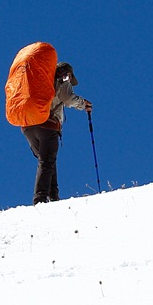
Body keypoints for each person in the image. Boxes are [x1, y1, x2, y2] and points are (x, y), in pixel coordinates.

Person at [21, 61, 91, 204]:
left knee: (47, 160)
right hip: (48, 125)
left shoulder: (40, 82)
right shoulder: (63, 79)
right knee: (47, 161)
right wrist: (83, 104)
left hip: (28, 126)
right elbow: (68, 98)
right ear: (68, 73)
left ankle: (53, 197)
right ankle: (40, 199)